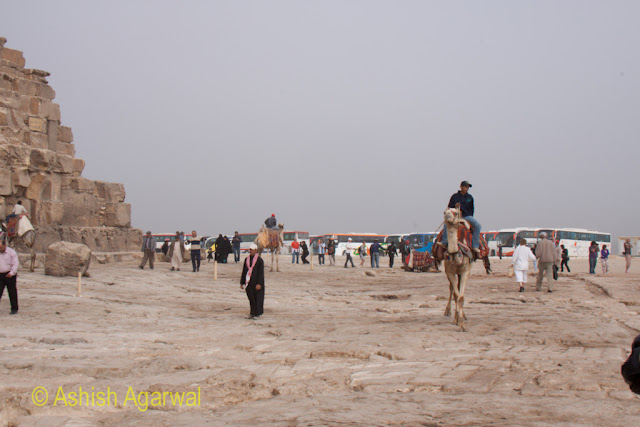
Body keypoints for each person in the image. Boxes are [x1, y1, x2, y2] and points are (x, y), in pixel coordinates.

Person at [441, 181, 482, 254]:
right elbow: (450, 208)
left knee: (478, 225)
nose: (467, 189)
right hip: (456, 216)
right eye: (465, 187)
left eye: (468, 187)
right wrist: (455, 206)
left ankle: (475, 245)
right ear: (461, 187)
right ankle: (444, 242)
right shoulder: (455, 196)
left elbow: (472, 209)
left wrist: (470, 218)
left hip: (467, 216)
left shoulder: (470, 197)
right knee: (446, 224)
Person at [240, 243, 265, 320]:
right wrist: (242, 282)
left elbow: (261, 273)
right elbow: (244, 271)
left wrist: (259, 283)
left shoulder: (259, 260)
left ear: (256, 250)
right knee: (251, 299)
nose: (251, 251)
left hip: (257, 282)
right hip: (249, 282)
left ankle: (257, 314)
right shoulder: (246, 260)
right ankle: (252, 313)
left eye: (252, 250)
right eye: (250, 250)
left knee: (258, 299)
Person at [0, 236, 19, 314]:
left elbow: (15, 263)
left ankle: (14, 309)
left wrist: (12, 273)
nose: (0, 249)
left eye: (1, 247)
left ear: (5, 246)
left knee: (12, 292)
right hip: (0, 275)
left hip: (10, 275)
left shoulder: (12, 252)